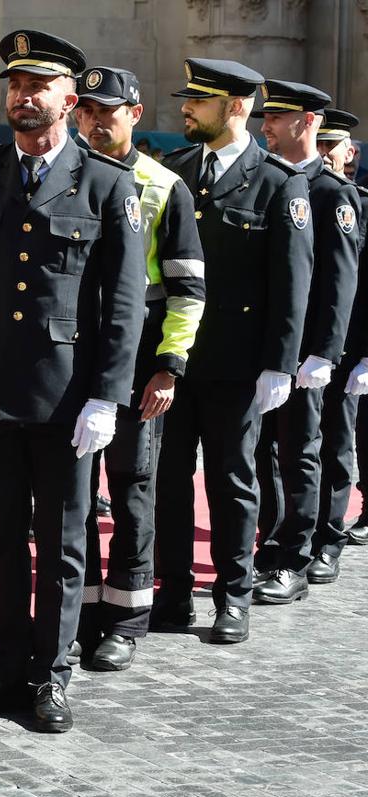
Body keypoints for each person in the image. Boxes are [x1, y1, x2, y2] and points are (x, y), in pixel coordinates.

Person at [0, 30, 145, 733]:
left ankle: (51, 678)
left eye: (38, 86)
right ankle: (3, 671)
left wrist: (109, 397)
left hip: (66, 398)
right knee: (0, 542)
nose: (22, 97)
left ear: (70, 100)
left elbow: (122, 303)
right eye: (14, 85)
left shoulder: (110, 184)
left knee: (61, 547)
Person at [152, 60, 313, 643]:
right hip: (175, 360)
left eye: (200, 102)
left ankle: (232, 594)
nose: (186, 110)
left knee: (231, 479)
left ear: (236, 107)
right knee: (168, 480)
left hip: (237, 364)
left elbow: (293, 281)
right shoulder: (177, 170)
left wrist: (280, 362)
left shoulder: (277, 181)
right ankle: (171, 595)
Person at [72, 66, 206, 671]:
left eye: (109, 110)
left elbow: (187, 291)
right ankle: (78, 612)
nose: (97, 121)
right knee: (71, 495)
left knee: (131, 489)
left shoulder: (163, 184)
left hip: (138, 353)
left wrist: (169, 367)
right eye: (87, 110)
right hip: (71, 353)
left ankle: (125, 618)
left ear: (135, 112)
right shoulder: (61, 176)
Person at [251, 81, 361, 606]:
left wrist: (328, 352)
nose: (266, 126)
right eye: (266, 117)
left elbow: (340, 282)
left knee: (301, 450)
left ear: (308, 122)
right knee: (260, 454)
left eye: (278, 117)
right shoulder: (268, 181)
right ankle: (270, 546)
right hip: (264, 346)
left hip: (307, 352)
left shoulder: (333, 193)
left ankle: (298, 552)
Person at [312, 108, 368, 582]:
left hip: (348, 347)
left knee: (335, 443)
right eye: (320, 144)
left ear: (350, 153)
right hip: (299, 343)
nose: (325, 154)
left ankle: (327, 538)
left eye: (334, 146)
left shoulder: (357, 203)